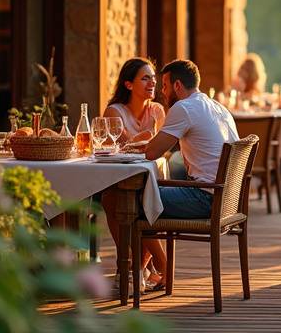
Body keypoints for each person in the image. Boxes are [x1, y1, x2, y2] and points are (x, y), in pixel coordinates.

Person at [101, 58, 169, 291]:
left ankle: (134, 268)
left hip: (151, 178)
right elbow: (118, 149)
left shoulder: (157, 111)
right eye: (145, 78)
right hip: (120, 178)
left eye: (153, 78)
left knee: (143, 201)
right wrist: (142, 139)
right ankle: (133, 266)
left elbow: (159, 150)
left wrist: (144, 141)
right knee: (111, 198)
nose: (152, 83)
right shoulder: (114, 112)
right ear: (129, 84)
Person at [145, 59, 241, 219]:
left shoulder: (184, 107)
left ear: (177, 85)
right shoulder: (219, 107)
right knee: (151, 192)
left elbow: (151, 153)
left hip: (205, 198)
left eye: (165, 86)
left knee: (137, 197)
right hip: (229, 199)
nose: (162, 91)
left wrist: (149, 131)